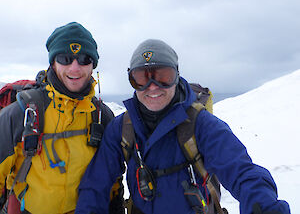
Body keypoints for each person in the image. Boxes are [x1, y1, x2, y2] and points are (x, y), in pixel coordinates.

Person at [75, 39, 291, 214]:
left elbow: (243, 172)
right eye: (141, 78)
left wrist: (264, 206)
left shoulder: (202, 125)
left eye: (163, 76)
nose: (152, 87)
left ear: (176, 76)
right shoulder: (122, 128)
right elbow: (96, 184)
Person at [0, 22, 124, 214]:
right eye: (65, 58)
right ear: (52, 63)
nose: (75, 68)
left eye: (84, 59)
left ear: (93, 66)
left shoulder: (101, 117)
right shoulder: (20, 115)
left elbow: (113, 179)